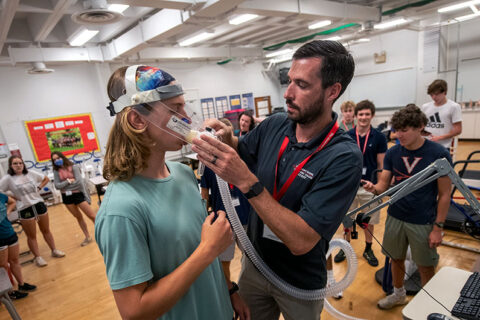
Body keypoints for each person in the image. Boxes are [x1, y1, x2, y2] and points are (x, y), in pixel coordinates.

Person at [192, 40, 362, 319]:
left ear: (333, 91)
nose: (287, 93)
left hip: (300, 280)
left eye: (302, 85)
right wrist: (226, 137)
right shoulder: (276, 124)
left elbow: (301, 241)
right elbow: (242, 150)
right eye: (290, 81)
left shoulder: (343, 157)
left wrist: (247, 182)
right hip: (255, 266)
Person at [95, 65, 248, 320]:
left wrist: (229, 290)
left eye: (184, 107)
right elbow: (134, 311)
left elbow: (196, 252)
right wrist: (208, 250)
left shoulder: (183, 174)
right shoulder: (120, 210)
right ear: (137, 120)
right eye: (175, 109)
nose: (187, 118)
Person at [362, 105, 451, 309]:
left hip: (423, 219)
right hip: (396, 216)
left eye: (404, 130)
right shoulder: (393, 152)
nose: (398, 134)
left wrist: (438, 228)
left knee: (425, 266)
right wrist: (373, 188)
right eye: (396, 129)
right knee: (395, 259)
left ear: (420, 126)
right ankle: (398, 294)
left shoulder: (438, 153)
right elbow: (383, 185)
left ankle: (430, 305)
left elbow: (445, 194)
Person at [334, 100, 387, 267]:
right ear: (356, 117)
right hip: (350, 185)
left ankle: (368, 248)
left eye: (367, 114)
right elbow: (341, 162)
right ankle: (345, 246)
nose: (363, 117)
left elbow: (381, 165)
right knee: (347, 217)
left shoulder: (379, 137)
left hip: (369, 185)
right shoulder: (347, 136)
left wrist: (379, 187)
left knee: (369, 219)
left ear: (372, 115)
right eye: (361, 114)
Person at [201, 118, 251, 289]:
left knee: (251, 257)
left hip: (244, 217)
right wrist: (204, 213)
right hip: (223, 221)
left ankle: (248, 289)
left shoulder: (240, 158)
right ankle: (228, 290)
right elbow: (204, 192)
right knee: (224, 261)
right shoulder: (208, 163)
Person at [0, 155, 65, 267]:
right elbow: (1, 191)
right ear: (11, 165)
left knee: (46, 230)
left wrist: (39, 188)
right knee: (31, 235)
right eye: (15, 163)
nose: (18, 165)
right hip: (25, 208)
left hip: (39, 204)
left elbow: (46, 179)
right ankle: (38, 257)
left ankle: (54, 250)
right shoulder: (8, 179)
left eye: (20, 163)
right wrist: (11, 197)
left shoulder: (30, 173)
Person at [51, 151, 96, 246]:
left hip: (78, 195)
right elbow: (57, 186)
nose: (57, 161)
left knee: (92, 215)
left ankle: (103, 233)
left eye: (58, 158)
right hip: (67, 198)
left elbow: (79, 182)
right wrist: (68, 181)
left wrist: (65, 186)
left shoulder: (73, 167)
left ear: (62, 157)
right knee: (78, 217)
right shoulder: (56, 171)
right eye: (54, 160)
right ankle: (87, 236)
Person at [0, 192, 37, 300]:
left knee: (14, 260)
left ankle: (21, 284)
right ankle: (9, 292)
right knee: (3, 266)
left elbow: (12, 202)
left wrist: (7, 212)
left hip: (9, 233)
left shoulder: (1, 196)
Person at [421, 79, 462, 151]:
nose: (434, 97)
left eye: (436, 94)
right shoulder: (425, 107)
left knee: (441, 162)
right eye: (431, 95)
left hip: (443, 147)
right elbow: (421, 126)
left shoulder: (454, 107)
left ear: (445, 92)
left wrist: (439, 138)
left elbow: (458, 129)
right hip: (425, 145)